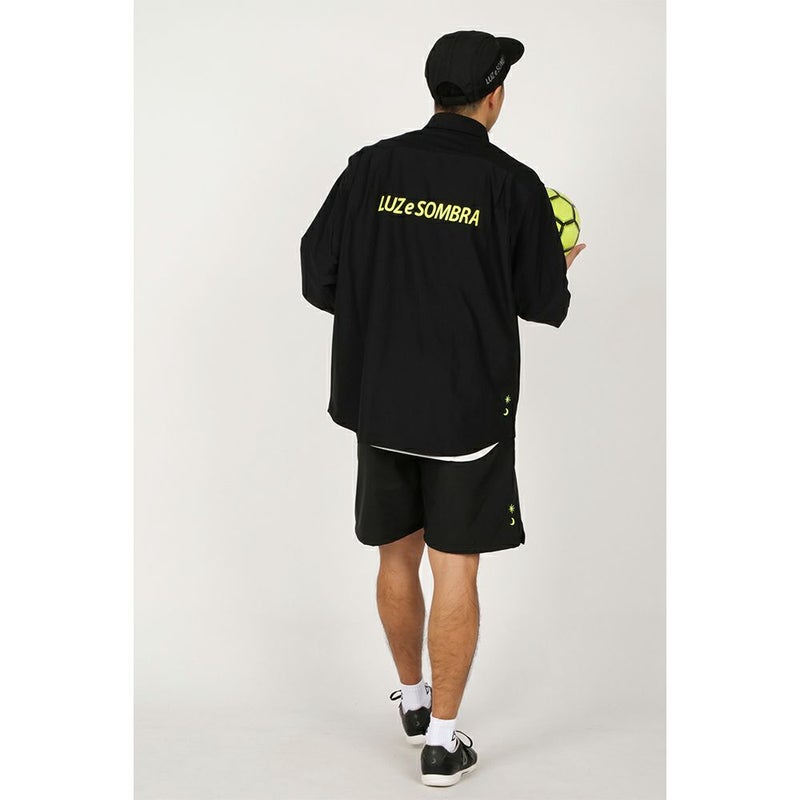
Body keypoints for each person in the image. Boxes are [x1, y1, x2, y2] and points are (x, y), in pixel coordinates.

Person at [300, 29, 586, 787]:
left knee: (396, 555)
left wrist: (386, 298)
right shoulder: (513, 184)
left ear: (436, 92)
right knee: (454, 569)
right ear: (494, 97)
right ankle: (442, 742)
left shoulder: (371, 167)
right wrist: (556, 262)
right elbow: (543, 302)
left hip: (379, 402)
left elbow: (317, 275)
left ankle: (414, 700)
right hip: (465, 414)